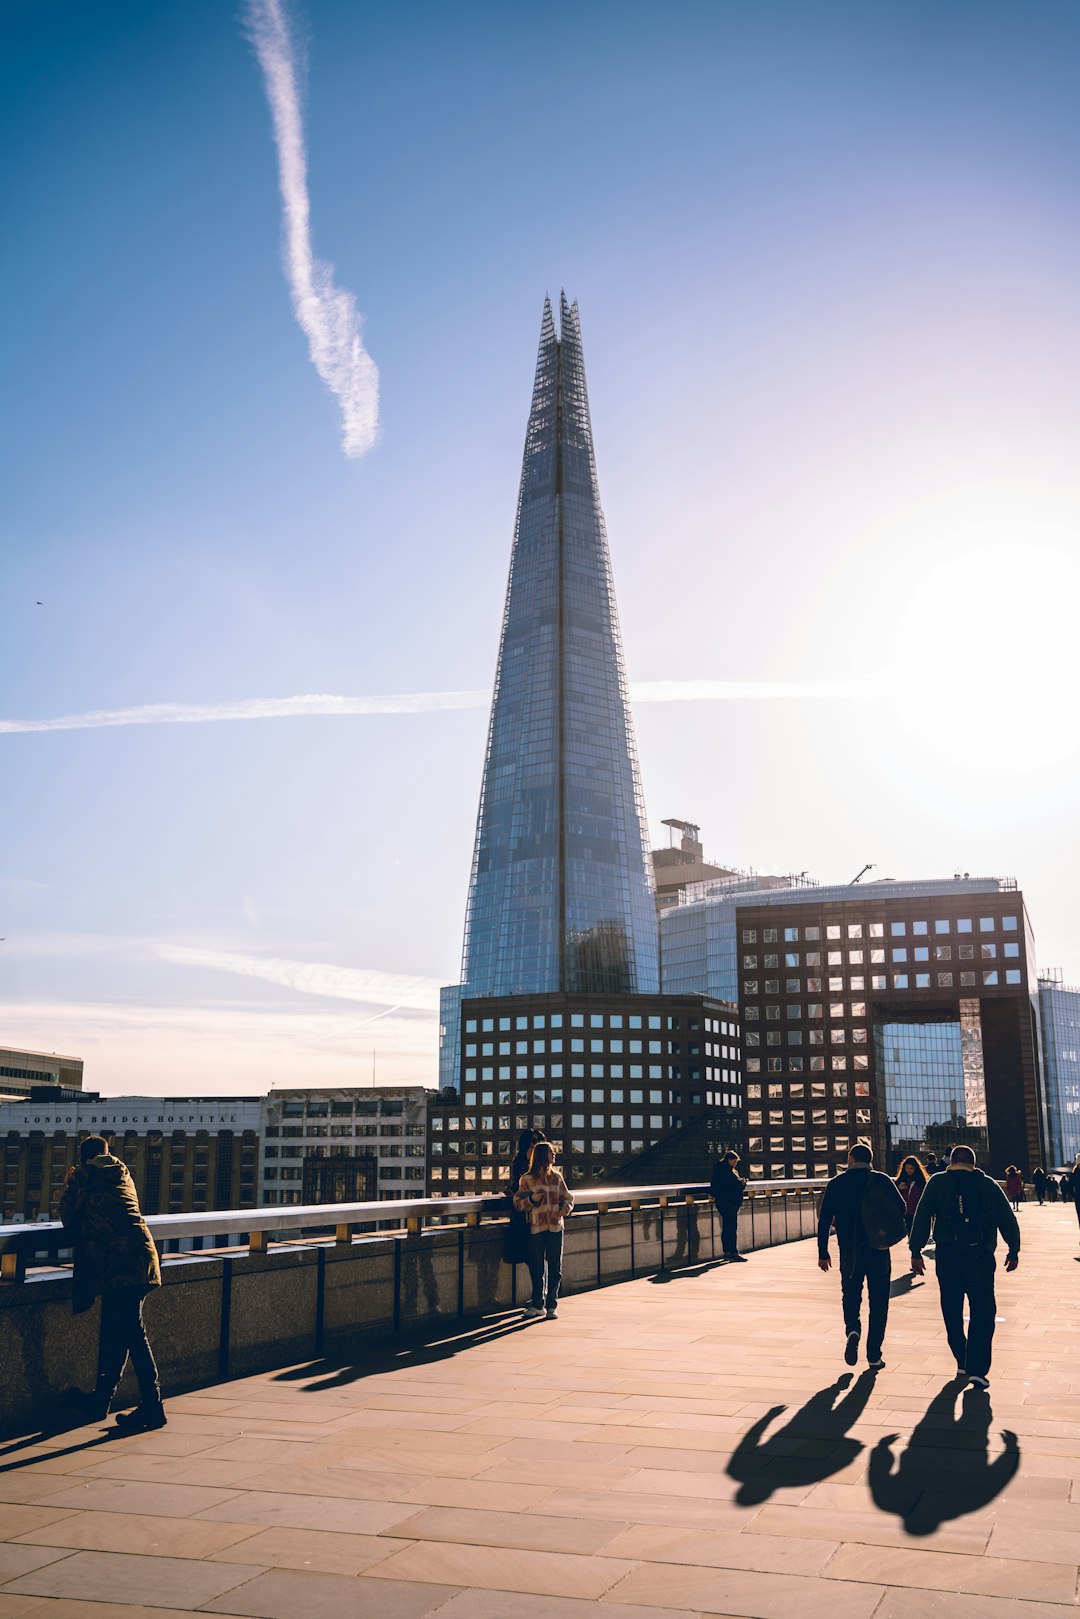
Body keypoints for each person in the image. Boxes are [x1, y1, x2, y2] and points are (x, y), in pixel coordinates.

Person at [59, 1135, 165, 1431]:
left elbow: (67, 1215)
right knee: (117, 1331)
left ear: (82, 1158)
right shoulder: (121, 1172)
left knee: (132, 1333)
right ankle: (101, 1399)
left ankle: (153, 1406)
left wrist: (71, 1182)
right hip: (142, 1258)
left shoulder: (85, 1175)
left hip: (118, 1265)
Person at [909, 1143, 1020, 1389]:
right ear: (973, 1163)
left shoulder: (937, 1182)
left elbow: (922, 1216)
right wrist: (1013, 1250)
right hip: (980, 1256)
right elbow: (1007, 1218)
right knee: (983, 1311)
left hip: (948, 1255)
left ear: (950, 1162)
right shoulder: (987, 1184)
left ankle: (962, 1358)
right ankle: (978, 1369)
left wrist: (915, 1251)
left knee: (951, 1308)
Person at [817, 1143, 906, 1371]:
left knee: (850, 1294)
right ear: (871, 1159)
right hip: (878, 1249)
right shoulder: (882, 1180)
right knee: (879, 1302)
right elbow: (902, 1207)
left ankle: (853, 1329)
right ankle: (874, 1355)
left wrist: (823, 1252)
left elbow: (824, 1219)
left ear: (850, 1159)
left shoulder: (837, 1183)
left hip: (849, 1250)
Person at [513, 1140, 574, 1320]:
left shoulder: (557, 1177)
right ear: (541, 1155)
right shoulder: (527, 1179)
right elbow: (517, 1202)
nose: (554, 1154)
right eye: (550, 1151)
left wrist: (566, 1208)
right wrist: (531, 1199)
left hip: (556, 1226)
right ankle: (537, 1304)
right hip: (536, 1228)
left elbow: (568, 1198)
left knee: (555, 1268)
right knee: (537, 1268)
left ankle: (551, 1305)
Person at [503, 1128, 545, 1269]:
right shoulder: (519, 1161)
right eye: (534, 1141)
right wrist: (511, 1190)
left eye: (540, 1141)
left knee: (539, 1257)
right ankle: (538, 1290)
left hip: (540, 1214)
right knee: (529, 1256)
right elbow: (517, 1185)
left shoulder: (543, 1162)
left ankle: (540, 1290)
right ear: (527, 1143)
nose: (537, 1144)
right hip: (524, 1215)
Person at [710, 1149, 747, 1261]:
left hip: (722, 1201)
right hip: (730, 1202)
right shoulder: (728, 1171)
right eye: (734, 1162)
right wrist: (742, 1183)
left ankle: (727, 1252)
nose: (735, 1164)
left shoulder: (719, 1169)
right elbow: (733, 1186)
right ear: (729, 1160)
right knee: (731, 1228)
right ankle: (733, 1252)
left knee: (727, 1228)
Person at [894, 1156, 928, 1234]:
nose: (909, 1171)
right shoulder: (900, 1181)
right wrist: (899, 1189)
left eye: (911, 1168)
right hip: (904, 1212)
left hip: (917, 1212)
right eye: (907, 1168)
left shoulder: (920, 1182)